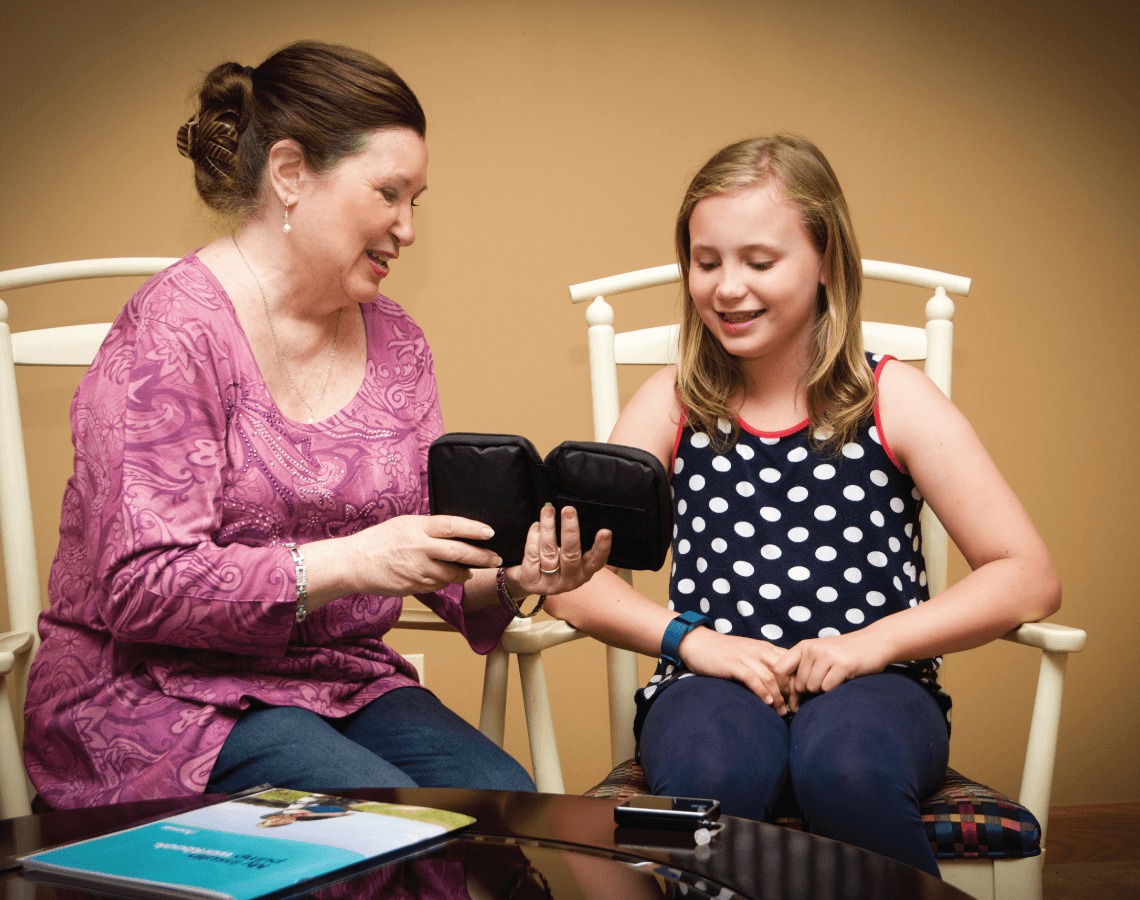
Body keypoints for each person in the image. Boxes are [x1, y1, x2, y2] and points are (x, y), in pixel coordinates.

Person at [23, 40, 611, 811]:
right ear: (292, 174)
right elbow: (140, 587)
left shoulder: (397, 342)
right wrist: (353, 562)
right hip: (156, 695)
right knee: (375, 822)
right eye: (388, 193)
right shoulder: (173, 333)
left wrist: (513, 581)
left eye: (416, 203)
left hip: (334, 683)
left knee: (500, 804)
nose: (406, 228)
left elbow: (420, 559)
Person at [546, 134, 1060, 876]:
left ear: (826, 262)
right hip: (708, 684)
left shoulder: (893, 397)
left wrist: (869, 645)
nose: (727, 287)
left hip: (877, 687)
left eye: (760, 262)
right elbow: (577, 579)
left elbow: (1028, 575)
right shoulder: (673, 401)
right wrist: (694, 642)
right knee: (712, 771)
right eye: (706, 260)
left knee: (846, 768)